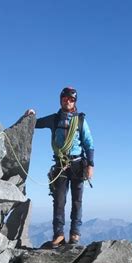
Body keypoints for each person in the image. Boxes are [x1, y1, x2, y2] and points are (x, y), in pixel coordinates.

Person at [25, 86, 94, 248]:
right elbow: (37, 123)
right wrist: (31, 115)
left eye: (71, 99)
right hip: (61, 165)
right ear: (61, 100)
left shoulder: (81, 120)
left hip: (77, 164)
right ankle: (59, 235)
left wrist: (90, 165)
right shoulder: (54, 119)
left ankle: (75, 234)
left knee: (77, 201)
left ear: (74, 101)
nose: (68, 101)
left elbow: (89, 143)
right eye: (65, 99)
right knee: (59, 201)